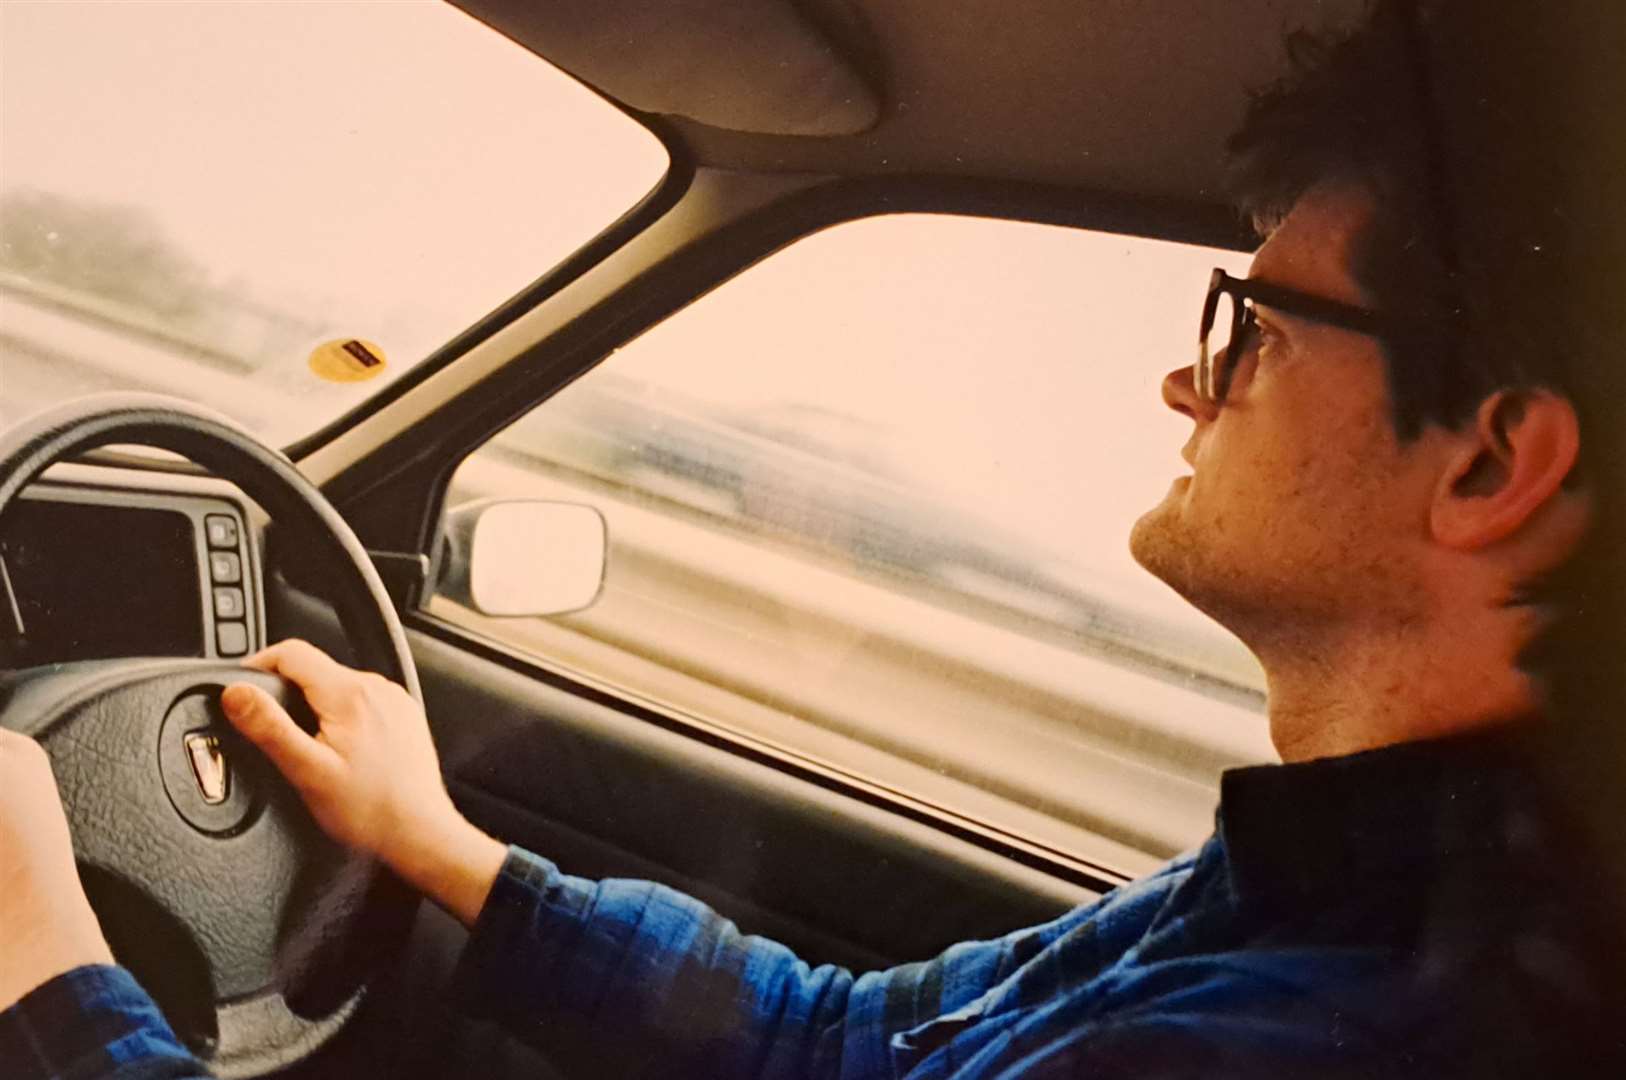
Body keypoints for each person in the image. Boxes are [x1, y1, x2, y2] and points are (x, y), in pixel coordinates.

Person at [3, 3, 1624, 1077]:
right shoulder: (1355, 887)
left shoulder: (1352, 1028)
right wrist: (445, 848)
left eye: (1254, 324)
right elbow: (851, 1047)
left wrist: (47, 961)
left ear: (1485, 461)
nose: (1186, 379)